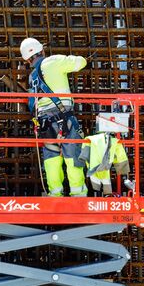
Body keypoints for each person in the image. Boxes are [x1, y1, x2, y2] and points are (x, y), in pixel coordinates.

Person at [20, 37, 88, 197]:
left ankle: (55, 193)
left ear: (27, 59)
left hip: (45, 122)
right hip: (64, 118)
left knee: (51, 157)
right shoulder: (53, 61)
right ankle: (78, 194)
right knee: (73, 155)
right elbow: (81, 62)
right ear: (42, 51)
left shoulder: (32, 77)